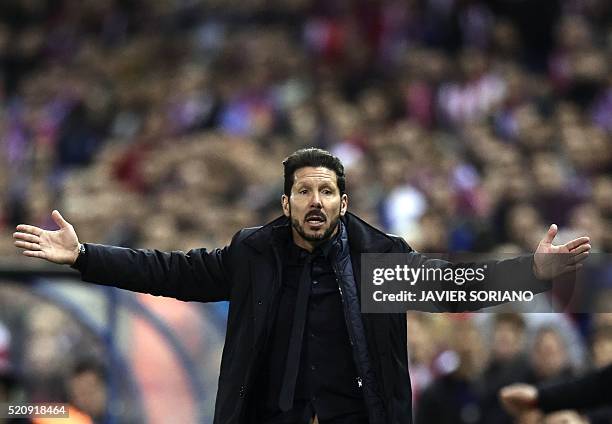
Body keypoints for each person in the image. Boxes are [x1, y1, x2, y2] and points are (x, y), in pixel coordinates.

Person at [13, 148, 591, 424]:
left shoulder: (377, 258)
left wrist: (531, 273)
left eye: (327, 191)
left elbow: (455, 285)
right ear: (286, 201)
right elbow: (171, 272)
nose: (316, 201)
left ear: (344, 201)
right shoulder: (254, 255)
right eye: (304, 191)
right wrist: (86, 255)